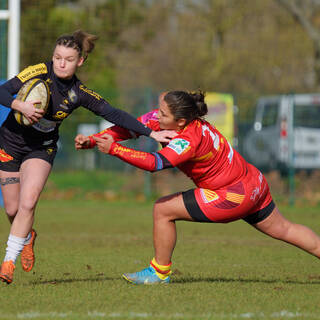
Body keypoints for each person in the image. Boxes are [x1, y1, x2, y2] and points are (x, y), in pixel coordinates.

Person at [75, 90, 320, 285]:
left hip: (231, 196)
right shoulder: (177, 120)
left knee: (162, 210)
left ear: (180, 121)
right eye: (159, 111)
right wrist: (94, 140)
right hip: (253, 182)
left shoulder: (188, 139)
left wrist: (115, 149)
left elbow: (155, 163)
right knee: (286, 229)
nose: (156, 118)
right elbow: (133, 128)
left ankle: (159, 273)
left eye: (162, 114)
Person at [0, 30, 175, 284]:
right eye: (57, 57)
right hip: (9, 143)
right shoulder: (37, 71)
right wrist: (20, 105)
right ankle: (26, 237)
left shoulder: (79, 93)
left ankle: (7, 263)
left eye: (68, 59)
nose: (61, 63)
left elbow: (114, 114)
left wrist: (151, 133)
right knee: (14, 209)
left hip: (42, 148)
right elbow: (3, 91)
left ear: (79, 61)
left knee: (28, 203)